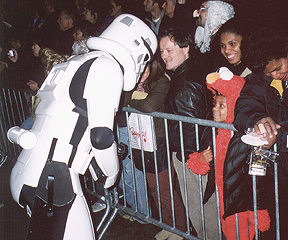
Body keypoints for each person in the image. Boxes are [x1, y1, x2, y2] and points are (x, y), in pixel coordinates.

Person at [8, 14, 157, 239]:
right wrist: (111, 173)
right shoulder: (106, 66)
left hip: (27, 170)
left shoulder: (73, 62)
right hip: (54, 179)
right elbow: (100, 136)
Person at [187, 69, 271, 239]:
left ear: (233, 105)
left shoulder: (246, 138)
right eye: (215, 104)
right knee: (228, 232)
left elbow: (257, 177)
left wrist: (259, 211)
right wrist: (201, 160)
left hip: (242, 204)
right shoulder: (214, 132)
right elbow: (198, 164)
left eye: (221, 105)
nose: (215, 109)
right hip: (224, 201)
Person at [159, 28, 218, 239]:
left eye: (169, 50)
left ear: (186, 49)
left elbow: (191, 130)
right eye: (162, 51)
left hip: (192, 159)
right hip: (196, 155)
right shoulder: (187, 73)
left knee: (201, 210)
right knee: (205, 208)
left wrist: (190, 157)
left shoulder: (185, 84)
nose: (164, 55)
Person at [233, 27, 288, 239]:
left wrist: (280, 137)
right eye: (269, 71)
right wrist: (258, 120)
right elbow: (243, 109)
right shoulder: (257, 81)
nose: (276, 74)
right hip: (276, 174)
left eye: (279, 66)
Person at [125, 59, 186, 240]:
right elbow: (123, 98)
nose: (142, 71)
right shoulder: (133, 82)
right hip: (143, 140)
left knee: (165, 187)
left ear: (153, 65)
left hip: (160, 139)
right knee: (153, 188)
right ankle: (168, 224)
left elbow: (150, 105)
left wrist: (137, 97)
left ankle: (180, 229)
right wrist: (136, 95)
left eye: (145, 67)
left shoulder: (162, 81)